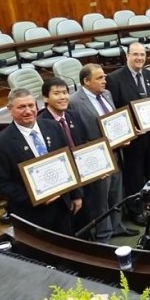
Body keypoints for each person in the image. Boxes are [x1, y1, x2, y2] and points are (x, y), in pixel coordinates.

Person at [0, 88, 82, 235]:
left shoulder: (53, 127)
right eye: (21, 107)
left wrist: (76, 194)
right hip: (32, 213)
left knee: (66, 248)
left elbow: (68, 161)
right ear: (10, 110)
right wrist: (36, 198)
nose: (28, 111)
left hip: (62, 205)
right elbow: (2, 184)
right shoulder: (0, 143)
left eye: (31, 106)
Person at [69, 63, 139, 242]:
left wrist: (127, 132)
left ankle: (117, 226)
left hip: (116, 152)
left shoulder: (107, 94)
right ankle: (103, 235)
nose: (104, 81)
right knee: (100, 199)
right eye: (99, 78)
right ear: (86, 81)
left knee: (116, 193)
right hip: (96, 156)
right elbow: (76, 133)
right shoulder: (75, 102)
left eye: (104, 77)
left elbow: (114, 120)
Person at [106, 42, 150, 226]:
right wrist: (128, 128)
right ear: (127, 56)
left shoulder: (149, 74)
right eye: (135, 54)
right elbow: (113, 111)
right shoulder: (115, 79)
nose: (139, 58)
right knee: (134, 175)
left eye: (142, 55)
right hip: (131, 137)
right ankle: (135, 210)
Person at [39, 77, 90, 236]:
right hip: (63, 183)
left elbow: (82, 143)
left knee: (86, 218)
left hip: (83, 175)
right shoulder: (41, 124)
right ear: (45, 98)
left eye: (65, 92)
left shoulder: (73, 115)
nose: (63, 97)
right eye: (57, 93)